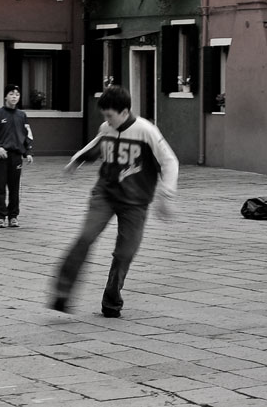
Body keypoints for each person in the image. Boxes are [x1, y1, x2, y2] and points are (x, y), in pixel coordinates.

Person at [50, 85, 177, 318]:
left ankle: (111, 298)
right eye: (104, 116)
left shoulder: (146, 131)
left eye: (110, 116)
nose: (106, 120)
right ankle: (61, 293)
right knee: (85, 237)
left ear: (125, 112)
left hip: (135, 203)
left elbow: (170, 162)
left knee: (124, 253)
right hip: (105, 194)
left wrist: (166, 195)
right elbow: (97, 144)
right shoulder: (107, 127)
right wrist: (76, 160)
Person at [0, 84, 34, 228]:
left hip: (16, 156)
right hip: (1, 156)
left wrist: (28, 152)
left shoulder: (22, 116)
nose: (14, 97)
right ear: (6, 96)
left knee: (14, 187)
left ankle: (13, 216)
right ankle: (0, 217)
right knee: (0, 186)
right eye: (11, 94)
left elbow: (27, 135)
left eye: (17, 94)